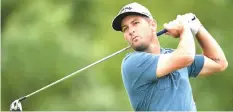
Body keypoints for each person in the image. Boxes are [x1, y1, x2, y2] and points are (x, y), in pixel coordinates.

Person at [111, 2, 228, 111]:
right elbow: (186, 56)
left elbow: (219, 63)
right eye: (125, 29)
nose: (131, 31)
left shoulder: (173, 56)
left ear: (153, 25)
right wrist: (184, 28)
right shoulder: (132, 63)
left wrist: (197, 27)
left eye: (135, 23)